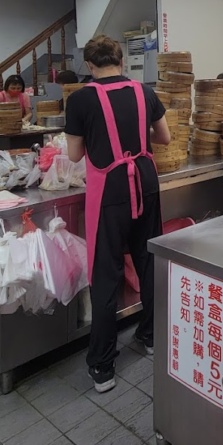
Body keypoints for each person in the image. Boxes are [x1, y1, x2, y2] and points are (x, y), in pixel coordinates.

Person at [65, 35, 171, 392]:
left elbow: (76, 155)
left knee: (105, 273)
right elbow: (166, 138)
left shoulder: (80, 99)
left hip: (109, 188)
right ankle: (151, 336)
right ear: (122, 61)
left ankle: (103, 366)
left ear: (90, 66)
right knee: (148, 263)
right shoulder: (146, 92)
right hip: (146, 181)